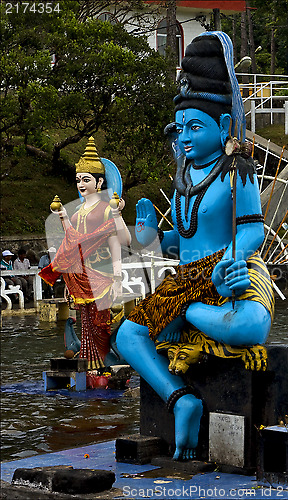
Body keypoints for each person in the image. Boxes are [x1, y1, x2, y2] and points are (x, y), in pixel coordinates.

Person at [116, 32, 274, 461]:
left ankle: (186, 315)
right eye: (180, 128)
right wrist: (150, 234)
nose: (185, 137)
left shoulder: (237, 170)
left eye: (196, 126)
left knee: (248, 328)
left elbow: (252, 230)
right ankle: (180, 397)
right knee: (126, 333)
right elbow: (178, 239)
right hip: (185, 278)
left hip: (227, 270)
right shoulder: (184, 181)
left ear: (224, 126)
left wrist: (230, 262)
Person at [39, 137, 131, 370]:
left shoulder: (105, 208)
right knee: (86, 323)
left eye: (86, 179)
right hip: (81, 275)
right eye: (78, 179)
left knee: (102, 324)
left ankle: (103, 365)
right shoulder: (78, 211)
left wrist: (119, 278)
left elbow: (121, 241)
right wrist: (62, 217)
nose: (81, 183)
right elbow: (73, 244)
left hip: (103, 273)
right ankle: (90, 365)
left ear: (99, 182)